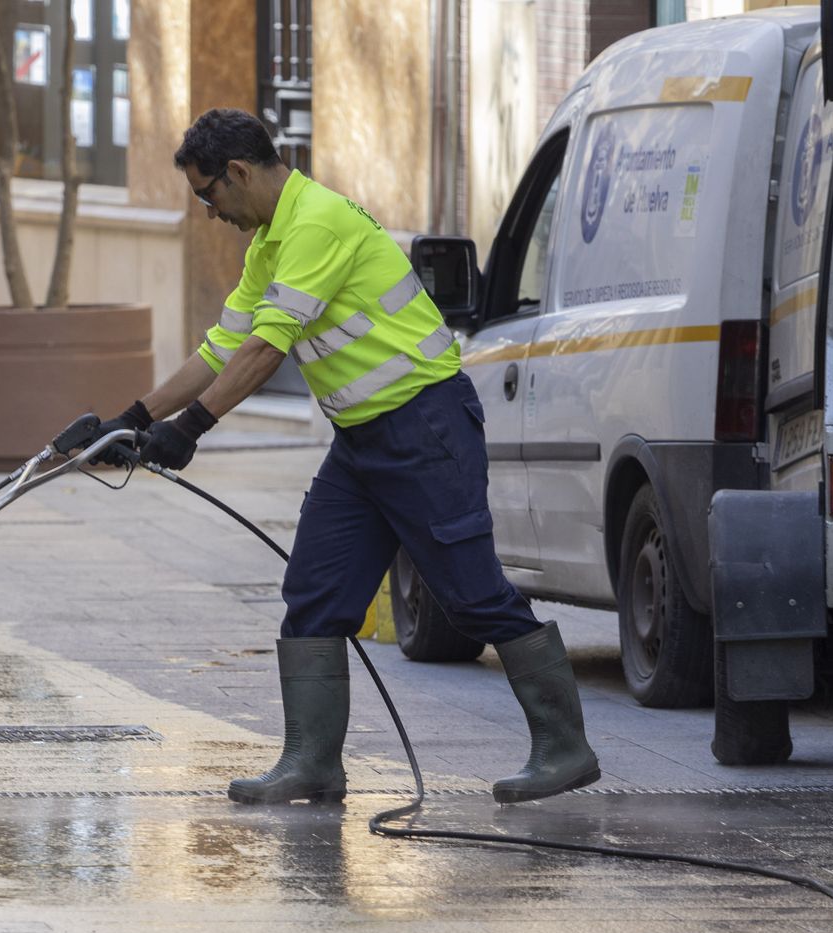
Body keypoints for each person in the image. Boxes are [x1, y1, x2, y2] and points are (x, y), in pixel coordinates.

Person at [89, 108, 600, 805]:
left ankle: (564, 747)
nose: (210, 212)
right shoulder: (270, 242)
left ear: (238, 173)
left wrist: (194, 428)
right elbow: (222, 348)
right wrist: (136, 417)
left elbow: (267, 350)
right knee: (315, 594)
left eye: (208, 195)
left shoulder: (317, 224)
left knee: (473, 595)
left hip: (425, 431)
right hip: (361, 444)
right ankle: (313, 763)